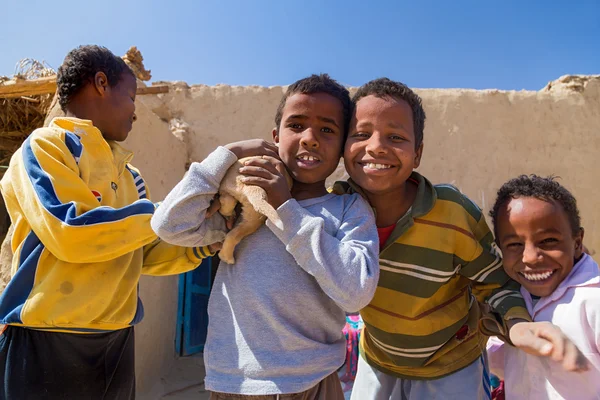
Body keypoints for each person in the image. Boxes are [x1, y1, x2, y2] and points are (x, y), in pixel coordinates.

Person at [333, 78, 588, 399]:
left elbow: (494, 283)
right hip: (378, 362)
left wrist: (518, 325)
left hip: (452, 367)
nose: (376, 146)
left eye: (395, 137)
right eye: (360, 134)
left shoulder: (452, 212)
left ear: (418, 153)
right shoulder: (336, 208)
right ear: (343, 148)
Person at [0, 45, 213, 400]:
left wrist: (205, 241)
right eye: (130, 96)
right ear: (101, 83)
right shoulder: (46, 147)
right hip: (48, 340)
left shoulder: (131, 176)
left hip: (117, 340)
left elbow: (143, 254)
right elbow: (70, 231)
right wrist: (168, 210)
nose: (136, 111)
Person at [151, 73, 380, 399]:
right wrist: (228, 153)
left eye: (327, 130)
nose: (310, 138)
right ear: (274, 137)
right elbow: (169, 225)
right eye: (296, 125)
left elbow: (356, 291)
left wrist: (284, 207)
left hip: (315, 382)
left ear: (343, 147)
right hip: (237, 382)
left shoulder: (348, 209)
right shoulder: (240, 207)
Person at [487, 175, 599, 399]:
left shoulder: (593, 300)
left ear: (577, 243)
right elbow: (497, 363)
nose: (530, 258)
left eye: (548, 241)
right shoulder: (510, 299)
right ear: (500, 249)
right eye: (515, 245)